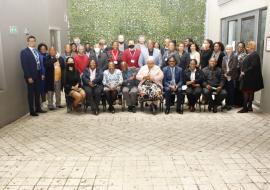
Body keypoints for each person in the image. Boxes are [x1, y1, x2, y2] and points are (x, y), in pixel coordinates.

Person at [20, 36, 46, 116]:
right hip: (31, 76)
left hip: (38, 74)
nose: (32, 42)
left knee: (37, 93)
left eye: (34, 41)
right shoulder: (24, 52)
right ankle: (32, 111)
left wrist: (41, 73)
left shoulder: (36, 51)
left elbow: (39, 63)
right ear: (27, 42)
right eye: (31, 41)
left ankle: (38, 108)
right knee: (31, 94)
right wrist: (28, 77)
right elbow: (24, 65)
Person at [238, 41, 264, 113]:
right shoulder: (251, 54)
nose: (247, 48)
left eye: (248, 46)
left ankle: (245, 108)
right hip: (249, 78)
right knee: (250, 92)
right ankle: (249, 107)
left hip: (249, 78)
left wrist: (244, 72)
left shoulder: (254, 55)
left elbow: (253, 66)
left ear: (251, 47)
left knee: (246, 92)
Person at [222, 45, 238, 110]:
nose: (228, 50)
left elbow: (234, 67)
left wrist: (228, 73)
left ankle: (230, 104)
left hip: (232, 76)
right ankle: (226, 103)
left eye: (229, 49)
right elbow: (223, 66)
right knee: (226, 90)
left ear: (232, 50)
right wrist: (225, 73)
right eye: (227, 49)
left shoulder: (235, 57)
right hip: (226, 76)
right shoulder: (224, 57)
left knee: (231, 91)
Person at [234, 42, 247, 107]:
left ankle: (239, 103)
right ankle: (235, 102)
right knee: (235, 87)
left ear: (243, 48)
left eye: (241, 47)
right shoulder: (235, 54)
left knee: (240, 88)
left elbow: (243, 66)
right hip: (234, 72)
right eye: (238, 46)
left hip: (240, 72)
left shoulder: (244, 55)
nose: (239, 48)